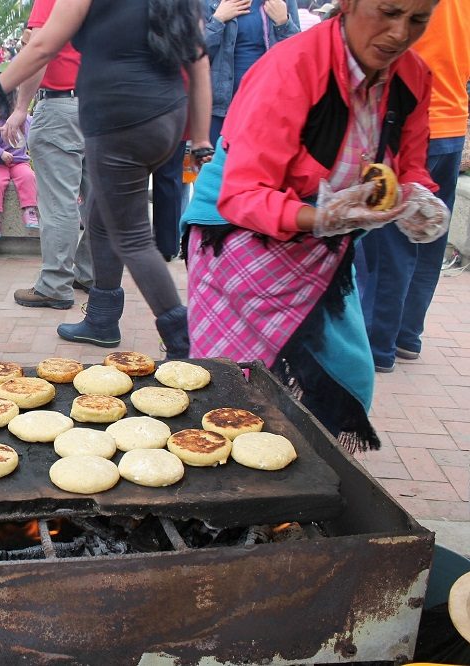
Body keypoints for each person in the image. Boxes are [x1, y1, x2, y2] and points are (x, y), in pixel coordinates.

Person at [180, 0, 445, 449]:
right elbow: (243, 194)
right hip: (240, 236)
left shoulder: (412, 77)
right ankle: (224, 491)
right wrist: (322, 216)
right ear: (349, 5)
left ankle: (300, 489)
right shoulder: (291, 67)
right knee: (238, 383)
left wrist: (418, 196)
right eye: (388, 12)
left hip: (324, 246)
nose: (400, 33)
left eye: (418, 20)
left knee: (346, 370)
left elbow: (409, 166)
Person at [0, 0, 212, 355]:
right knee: (99, 214)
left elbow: (44, 44)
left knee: (133, 236)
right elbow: (199, 61)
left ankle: (183, 342)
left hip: (119, 120)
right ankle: (102, 319)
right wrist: (200, 140)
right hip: (165, 115)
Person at [358, 0, 470, 372]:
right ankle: (407, 336)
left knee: (388, 244)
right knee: (428, 238)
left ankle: (378, 345)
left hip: (405, 124)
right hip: (451, 123)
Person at [2, 2, 94, 311]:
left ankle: (55, 285)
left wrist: (19, 109)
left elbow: (40, 49)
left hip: (62, 106)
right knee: (101, 201)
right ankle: (89, 273)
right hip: (106, 104)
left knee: (59, 203)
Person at [203, 0, 301, 145]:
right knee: (217, 165)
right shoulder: (210, 3)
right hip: (220, 107)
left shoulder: (282, 2)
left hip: (265, 105)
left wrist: (283, 22)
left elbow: (297, 54)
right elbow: (195, 53)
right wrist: (218, 20)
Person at [0, 91, 40, 240]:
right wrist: (0, 153)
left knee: (28, 176)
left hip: (19, 161)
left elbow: (35, 135)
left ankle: (29, 210)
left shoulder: (26, 120)